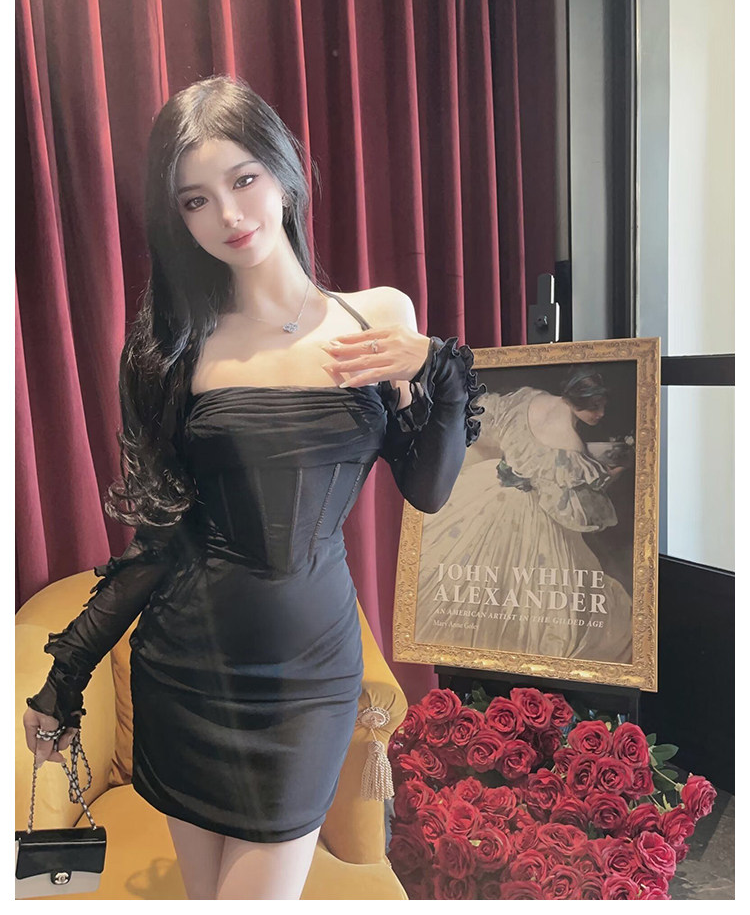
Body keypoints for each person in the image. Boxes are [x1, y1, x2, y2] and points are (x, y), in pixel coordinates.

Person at [21, 75, 486, 900]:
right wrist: (65, 679)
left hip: (311, 680)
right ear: (177, 218)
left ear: (285, 174)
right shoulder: (170, 351)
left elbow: (428, 489)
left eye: (244, 180)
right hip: (186, 673)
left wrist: (442, 372)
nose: (229, 216)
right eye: (195, 200)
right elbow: (159, 546)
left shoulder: (378, 315)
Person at [414, 367, 633, 664]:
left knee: (477, 568)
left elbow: (497, 425)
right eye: (595, 406)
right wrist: (613, 473)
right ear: (579, 399)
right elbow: (568, 508)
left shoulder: (530, 398)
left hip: (489, 486)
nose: (601, 414)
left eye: (603, 406)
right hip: (528, 510)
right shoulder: (569, 442)